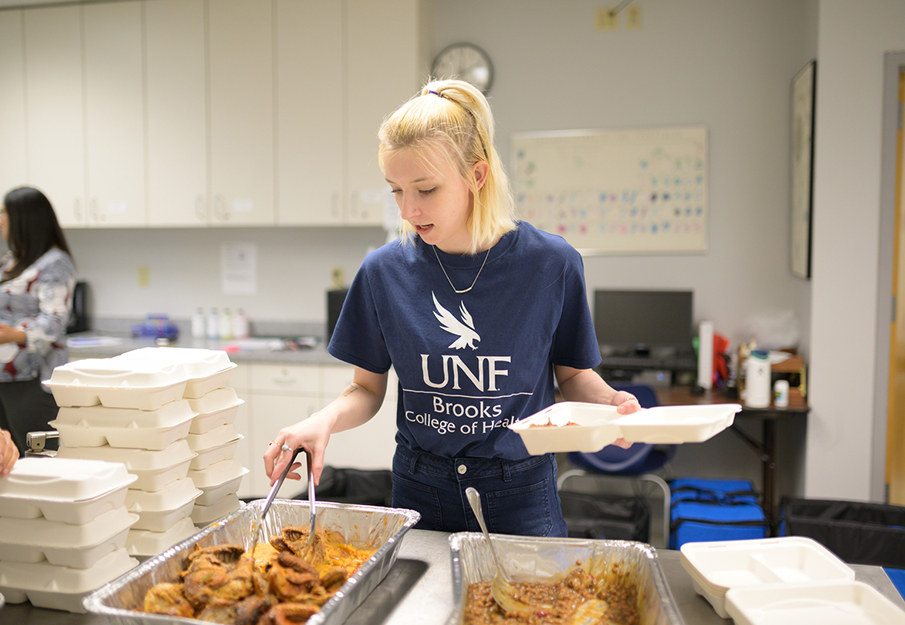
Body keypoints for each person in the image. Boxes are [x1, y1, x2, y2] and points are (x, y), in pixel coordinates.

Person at [265, 79, 640, 536]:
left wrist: (613, 404)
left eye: (425, 189)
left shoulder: (551, 265)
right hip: (420, 490)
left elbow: (573, 375)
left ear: (476, 177)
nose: (407, 210)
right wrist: (320, 421)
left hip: (520, 494)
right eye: (396, 191)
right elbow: (365, 390)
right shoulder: (384, 272)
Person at [0, 186, 76, 455]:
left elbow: (53, 323)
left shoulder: (55, 262)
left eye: (4, 212)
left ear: (24, 218)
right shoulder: (12, 261)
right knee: (9, 465)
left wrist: (13, 335)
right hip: (6, 379)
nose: (0, 220)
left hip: (33, 381)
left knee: (39, 462)